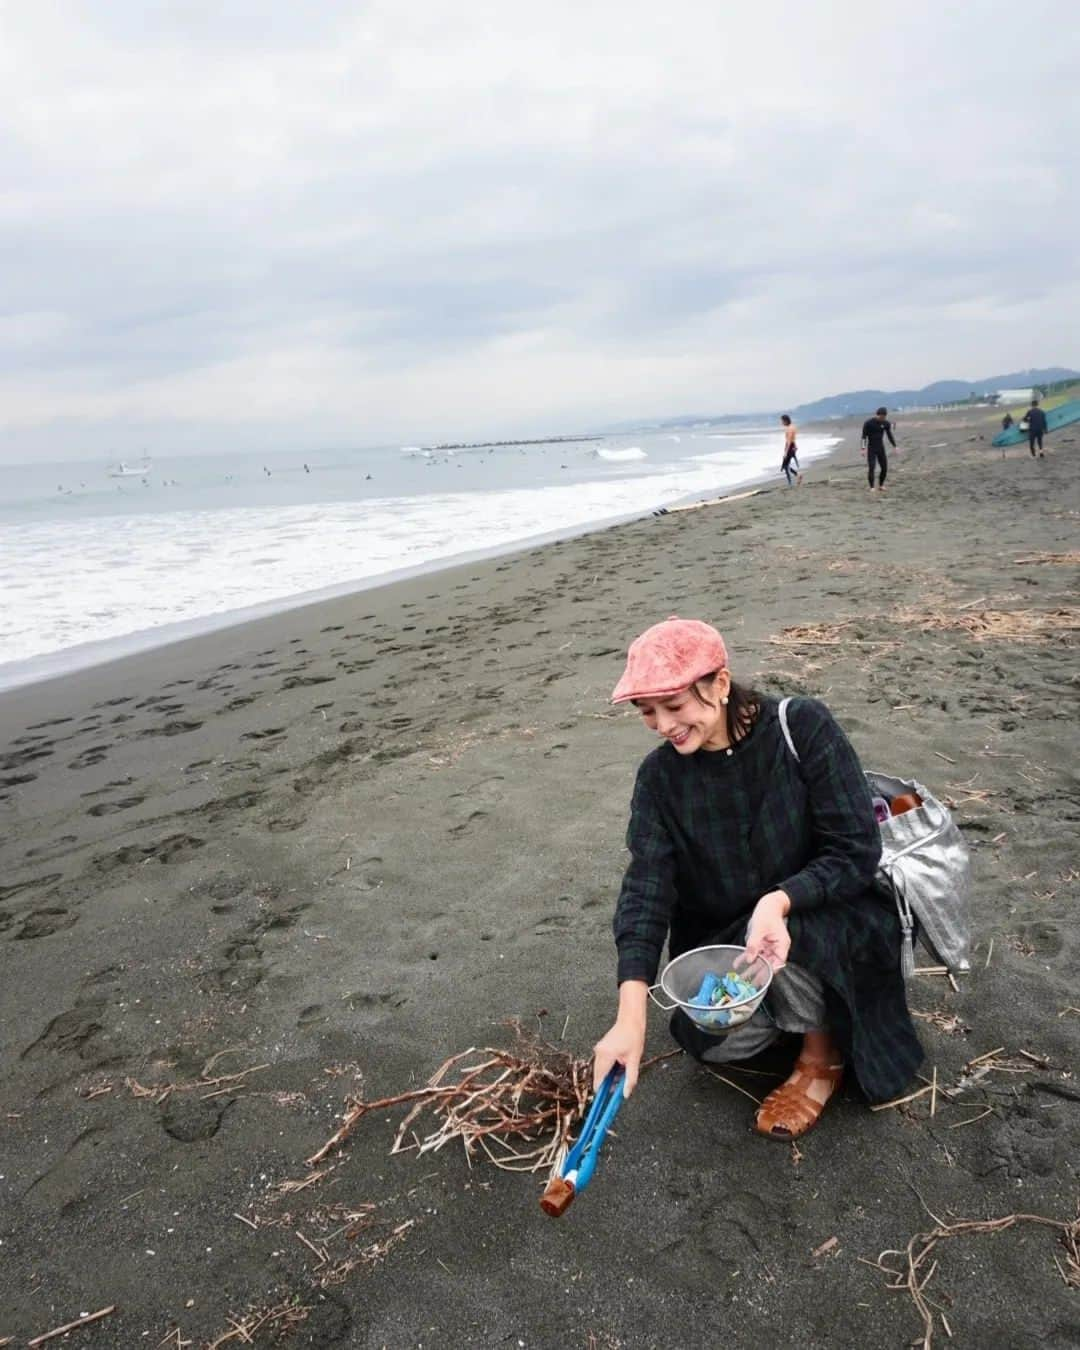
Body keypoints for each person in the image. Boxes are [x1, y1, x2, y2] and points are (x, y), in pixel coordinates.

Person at [593, 617, 922, 1138]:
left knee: (781, 945)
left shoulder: (801, 728)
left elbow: (856, 850)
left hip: (828, 915)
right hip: (730, 939)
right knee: (713, 1042)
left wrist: (782, 900)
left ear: (720, 684)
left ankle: (821, 1057)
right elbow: (647, 885)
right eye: (646, 712)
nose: (662, 725)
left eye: (674, 706)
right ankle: (806, 1015)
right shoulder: (658, 780)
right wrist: (630, 1014)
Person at [861, 407, 896, 492]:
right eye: (881, 417)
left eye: (884, 417)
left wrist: (895, 446)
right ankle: (872, 487)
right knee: (872, 467)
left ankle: (881, 485)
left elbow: (889, 435)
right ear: (877, 415)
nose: (883, 419)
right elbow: (864, 436)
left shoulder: (886, 423)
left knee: (884, 467)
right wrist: (863, 448)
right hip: (871, 448)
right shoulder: (868, 423)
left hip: (881, 448)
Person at [780, 414, 803, 487]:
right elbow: (793, 439)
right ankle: (798, 475)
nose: (781, 423)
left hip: (789, 447)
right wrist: (795, 446)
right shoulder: (793, 427)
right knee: (786, 465)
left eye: (782, 421)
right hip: (792, 447)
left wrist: (786, 452)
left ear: (785, 420)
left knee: (785, 466)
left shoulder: (789, 429)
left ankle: (791, 483)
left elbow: (789, 441)